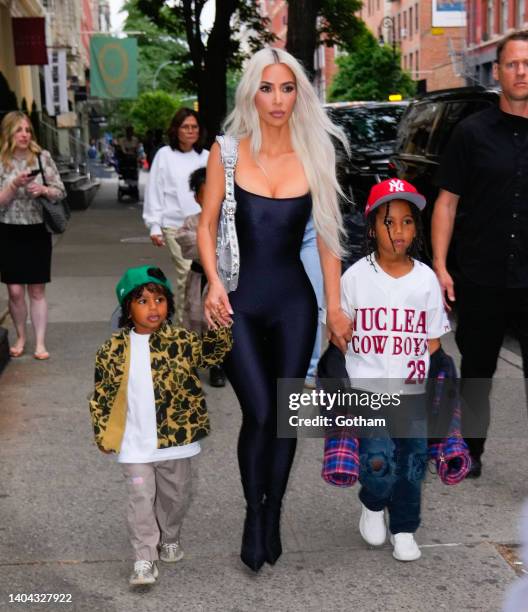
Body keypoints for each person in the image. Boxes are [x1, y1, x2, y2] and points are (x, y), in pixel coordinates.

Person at [197, 47, 353, 572]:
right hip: (238, 303)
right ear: (251, 93)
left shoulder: (316, 154)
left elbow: (329, 241)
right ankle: (250, 509)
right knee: (259, 412)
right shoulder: (228, 152)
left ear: (299, 94)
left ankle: (271, 512)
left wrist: (335, 309)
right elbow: (206, 223)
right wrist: (214, 283)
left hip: (294, 305)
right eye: (267, 88)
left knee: (284, 419)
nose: (278, 99)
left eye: (287, 88)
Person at [88, 265, 232, 586]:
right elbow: (101, 395)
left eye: (159, 300)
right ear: (127, 308)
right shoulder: (111, 352)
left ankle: (170, 533)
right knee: (140, 498)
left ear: (169, 304)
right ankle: (144, 558)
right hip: (133, 443)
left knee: (176, 496)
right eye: (142, 301)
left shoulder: (180, 341)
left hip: (175, 441)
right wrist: (103, 431)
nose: (153, 307)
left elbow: (211, 355)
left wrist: (220, 325)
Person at [432, 30, 528, 478]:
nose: (521, 71)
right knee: (477, 371)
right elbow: (446, 203)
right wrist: (439, 266)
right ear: (498, 72)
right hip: (481, 273)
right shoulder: (470, 133)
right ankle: (471, 451)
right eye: (512, 64)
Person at [341, 178, 450, 561]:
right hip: (369, 390)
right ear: (372, 228)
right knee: (377, 462)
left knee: (412, 464)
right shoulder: (354, 278)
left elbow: (434, 341)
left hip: (412, 391)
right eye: (390, 222)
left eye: (408, 221)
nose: (399, 231)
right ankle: (372, 501)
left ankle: (404, 528)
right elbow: (340, 332)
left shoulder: (426, 280)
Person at [0, 111, 66, 360]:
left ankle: (39, 342)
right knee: (15, 291)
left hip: (37, 229)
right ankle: (21, 336)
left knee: (37, 290)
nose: (25, 135)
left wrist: (43, 189)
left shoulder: (42, 157)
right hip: (8, 229)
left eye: (27, 130)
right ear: (9, 133)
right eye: (19, 130)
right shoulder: (1, 160)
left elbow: (60, 191)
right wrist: (14, 185)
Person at [143, 108, 209, 326]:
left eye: (194, 127)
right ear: (176, 130)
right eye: (185, 127)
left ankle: (203, 322)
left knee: (204, 277)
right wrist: (154, 225)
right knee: (185, 274)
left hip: (204, 225)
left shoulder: (208, 157)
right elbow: (155, 189)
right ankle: (184, 326)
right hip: (175, 226)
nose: (190, 131)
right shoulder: (164, 155)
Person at [174, 167, 226, 387]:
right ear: (198, 198)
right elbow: (184, 240)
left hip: (223, 281)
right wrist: (210, 245)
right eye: (208, 194)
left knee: (218, 322)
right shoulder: (192, 222)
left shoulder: (230, 224)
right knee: (193, 319)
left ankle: (217, 365)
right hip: (198, 278)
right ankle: (192, 361)